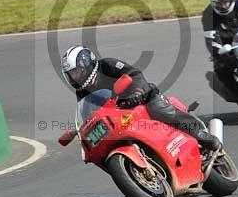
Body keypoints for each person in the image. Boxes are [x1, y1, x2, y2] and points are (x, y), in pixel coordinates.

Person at [60, 45, 222, 152]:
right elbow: (87, 113)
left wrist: (136, 93)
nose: (74, 77)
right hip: (118, 114)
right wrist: (80, 130)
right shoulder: (82, 91)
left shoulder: (107, 65)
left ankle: (203, 136)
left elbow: (134, 74)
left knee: (160, 110)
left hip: (141, 97)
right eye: (71, 75)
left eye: (76, 72)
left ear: (86, 64)